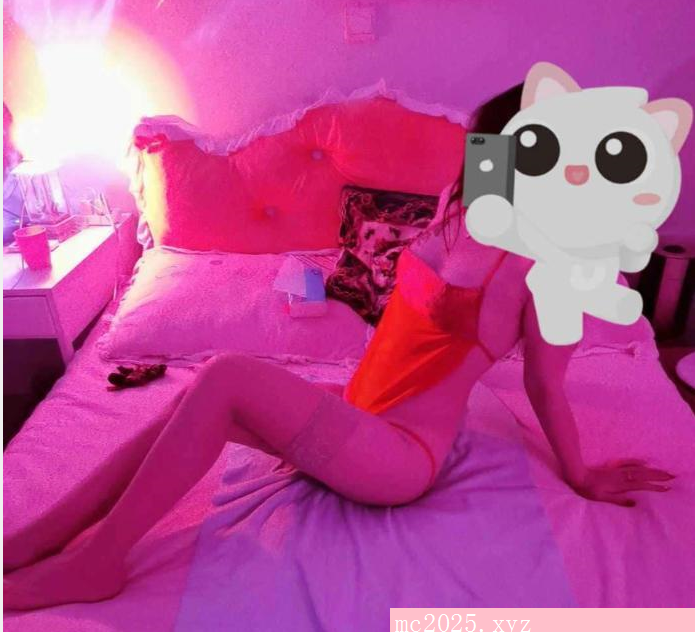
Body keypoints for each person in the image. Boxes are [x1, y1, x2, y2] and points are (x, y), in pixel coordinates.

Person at [3, 83, 673, 611]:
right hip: (357, 410)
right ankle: (41, 535)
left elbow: (545, 384)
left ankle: (99, 562)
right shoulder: (461, 210)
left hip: (400, 456)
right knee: (184, 403)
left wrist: (581, 474)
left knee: (227, 375)